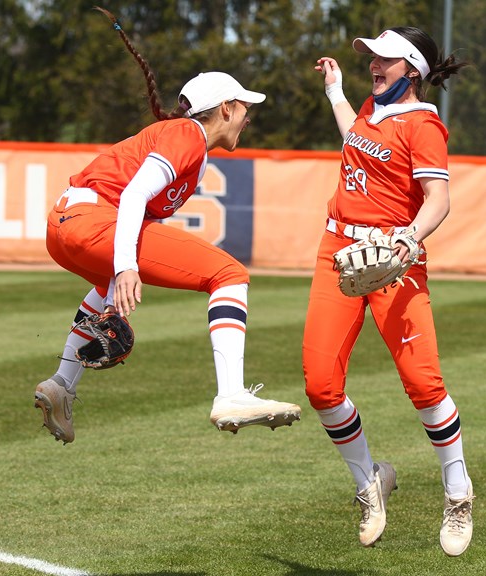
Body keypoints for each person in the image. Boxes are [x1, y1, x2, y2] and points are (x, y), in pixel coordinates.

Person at [34, 8, 301, 444]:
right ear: (226, 109)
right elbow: (135, 197)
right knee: (230, 275)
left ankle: (62, 384)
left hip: (63, 227)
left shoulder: (191, 157)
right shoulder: (187, 134)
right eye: (244, 108)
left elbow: (138, 221)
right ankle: (231, 394)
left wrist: (115, 281)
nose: (248, 117)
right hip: (91, 219)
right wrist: (125, 267)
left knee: (108, 284)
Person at [305, 28, 474, 556]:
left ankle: (457, 492)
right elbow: (356, 143)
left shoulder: (424, 126)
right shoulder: (370, 109)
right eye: (371, 58)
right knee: (321, 385)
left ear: (413, 71)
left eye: (386, 59)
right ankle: (369, 483)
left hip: (394, 260)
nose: (373, 65)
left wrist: (409, 238)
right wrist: (335, 92)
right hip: (339, 249)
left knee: (423, 383)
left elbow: (438, 200)